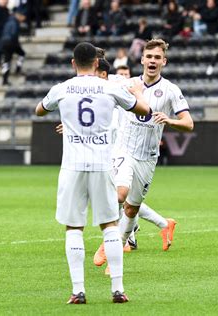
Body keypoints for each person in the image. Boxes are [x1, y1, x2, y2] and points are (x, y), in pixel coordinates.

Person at [35, 42, 151, 304]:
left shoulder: (62, 88)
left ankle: (78, 291)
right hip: (102, 164)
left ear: (73, 63)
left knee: (73, 226)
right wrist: (135, 93)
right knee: (110, 225)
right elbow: (143, 110)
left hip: (72, 166)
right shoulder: (111, 87)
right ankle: (118, 289)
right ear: (97, 63)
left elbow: (40, 109)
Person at [94, 38, 194, 268]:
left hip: (148, 157)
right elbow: (99, 102)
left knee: (132, 207)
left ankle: (115, 252)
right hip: (124, 149)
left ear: (164, 62)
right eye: (149, 56)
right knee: (120, 194)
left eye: (157, 57)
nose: (152, 60)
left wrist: (169, 120)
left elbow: (188, 123)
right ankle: (108, 243)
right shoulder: (126, 85)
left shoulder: (170, 90)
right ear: (142, 59)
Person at [0, 11, 26, 85]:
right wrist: (17, 44)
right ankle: (18, 69)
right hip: (11, 42)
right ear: (19, 16)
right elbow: (14, 34)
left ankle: (4, 80)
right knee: (22, 53)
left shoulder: (8, 21)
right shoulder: (15, 23)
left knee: (6, 61)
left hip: (4, 43)